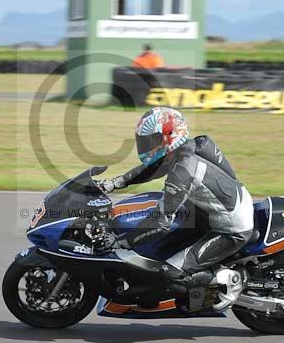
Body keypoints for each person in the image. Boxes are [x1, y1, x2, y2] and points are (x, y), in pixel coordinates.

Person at [95, 107, 254, 289]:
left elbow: (160, 224)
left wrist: (121, 242)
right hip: (215, 210)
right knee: (160, 248)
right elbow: (154, 168)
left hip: (229, 229)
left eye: (150, 140)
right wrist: (115, 183)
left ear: (168, 138)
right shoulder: (189, 147)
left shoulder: (182, 172)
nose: (145, 145)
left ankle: (232, 280)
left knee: (170, 274)